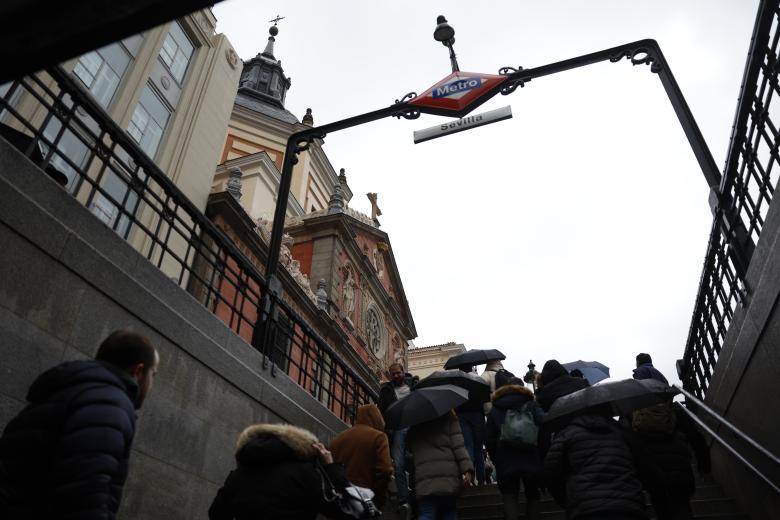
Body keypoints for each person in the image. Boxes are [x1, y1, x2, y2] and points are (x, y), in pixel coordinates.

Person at [0, 330, 159, 519]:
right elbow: (85, 492)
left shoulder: (66, 390)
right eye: (153, 374)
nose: (152, 383)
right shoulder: (109, 405)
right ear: (138, 371)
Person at [209, 423, 354, 520]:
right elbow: (344, 511)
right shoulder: (305, 474)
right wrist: (331, 468)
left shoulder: (237, 476)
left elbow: (216, 513)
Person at [543, 404, 648, 520]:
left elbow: (551, 472)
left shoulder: (567, 434)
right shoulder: (622, 432)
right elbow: (644, 466)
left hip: (585, 506)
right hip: (628, 504)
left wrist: (567, 500)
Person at [486, 377, 545, 520]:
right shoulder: (532, 404)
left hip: (505, 457)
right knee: (533, 493)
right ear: (522, 388)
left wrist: (496, 458)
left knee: (509, 495)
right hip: (530, 454)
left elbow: (488, 437)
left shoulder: (496, 408)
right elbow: (543, 426)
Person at [407, 411, 474, 520]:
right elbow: (459, 447)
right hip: (447, 477)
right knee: (449, 512)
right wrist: (467, 470)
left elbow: (410, 447)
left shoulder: (415, 422)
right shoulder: (449, 417)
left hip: (425, 478)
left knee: (427, 513)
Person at [330, 403, 393, 508]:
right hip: (365, 496)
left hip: (340, 498)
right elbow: (385, 470)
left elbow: (330, 468)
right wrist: (378, 496)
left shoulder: (338, 439)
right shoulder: (379, 437)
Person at [377, 363, 413, 511]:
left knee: (415, 462)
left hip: (414, 427)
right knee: (398, 465)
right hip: (397, 429)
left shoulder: (415, 385)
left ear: (403, 372)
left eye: (398, 373)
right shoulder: (386, 390)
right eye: (393, 374)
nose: (396, 376)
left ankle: (416, 496)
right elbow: (382, 410)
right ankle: (404, 498)